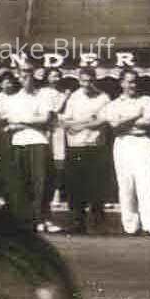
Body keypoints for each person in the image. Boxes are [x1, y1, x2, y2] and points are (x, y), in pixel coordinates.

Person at [0, 66, 55, 231]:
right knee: (21, 182)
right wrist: (28, 121)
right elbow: (9, 121)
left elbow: (45, 119)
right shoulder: (12, 100)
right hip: (19, 142)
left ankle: (40, 218)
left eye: (29, 75)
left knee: (40, 182)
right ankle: (25, 220)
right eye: (23, 76)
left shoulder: (42, 97)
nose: (26, 79)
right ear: (19, 78)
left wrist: (22, 121)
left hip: (38, 141)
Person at [105, 68, 150, 237]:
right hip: (123, 143)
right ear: (122, 83)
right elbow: (115, 125)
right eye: (129, 82)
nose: (132, 85)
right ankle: (130, 226)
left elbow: (149, 121)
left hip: (143, 142)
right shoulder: (114, 104)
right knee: (126, 185)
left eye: (134, 82)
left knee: (148, 185)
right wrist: (136, 116)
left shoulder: (147, 100)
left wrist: (125, 121)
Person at [60, 67, 111, 231]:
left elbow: (103, 120)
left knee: (96, 186)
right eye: (84, 81)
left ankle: (98, 223)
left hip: (95, 145)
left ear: (94, 80)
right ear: (79, 81)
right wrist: (88, 120)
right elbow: (65, 121)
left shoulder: (103, 97)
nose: (87, 84)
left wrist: (81, 124)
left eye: (90, 81)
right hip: (76, 146)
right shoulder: (74, 97)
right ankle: (78, 222)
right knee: (76, 186)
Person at [37, 68, 71, 228]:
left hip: (59, 131)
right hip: (47, 131)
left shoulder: (60, 92)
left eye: (58, 76)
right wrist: (65, 97)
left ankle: (56, 195)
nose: (56, 78)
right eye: (53, 76)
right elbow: (53, 111)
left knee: (58, 165)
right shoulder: (44, 92)